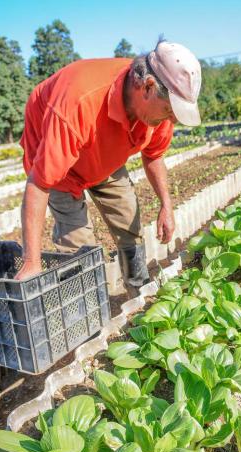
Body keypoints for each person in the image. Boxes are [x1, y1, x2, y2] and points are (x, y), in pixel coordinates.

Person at [15, 41, 202, 297]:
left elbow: (154, 155)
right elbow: (39, 184)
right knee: (78, 248)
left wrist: (166, 206)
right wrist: (31, 261)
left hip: (105, 155)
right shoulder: (78, 102)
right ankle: (85, 312)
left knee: (129, 223)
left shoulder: (159, 111)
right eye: (170, 110)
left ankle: (139, 295)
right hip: (60, 165)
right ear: (147, 86)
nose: (172, 119)